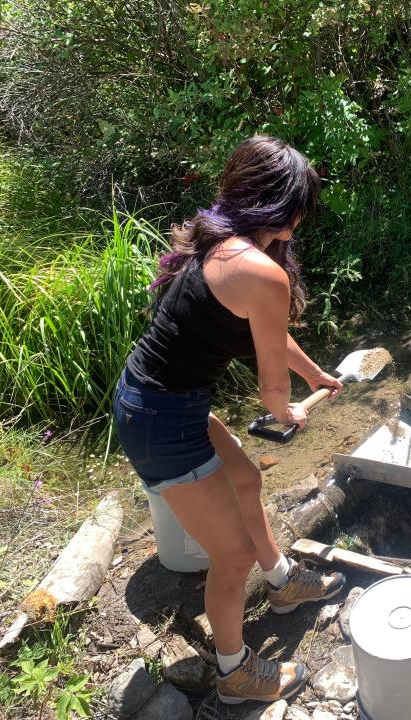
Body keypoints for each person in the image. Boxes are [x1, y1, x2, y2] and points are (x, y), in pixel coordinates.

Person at [113, 136, 346, 704]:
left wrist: (314, 375)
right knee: (232, 556)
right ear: (286, 209)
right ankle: (235, 673)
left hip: (164, 401)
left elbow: (268, 332)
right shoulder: (264, 273)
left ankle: (284, 584)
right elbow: (271, 390)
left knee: (247, 479)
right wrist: (286, 408)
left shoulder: (222, 242)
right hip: (162, 418)